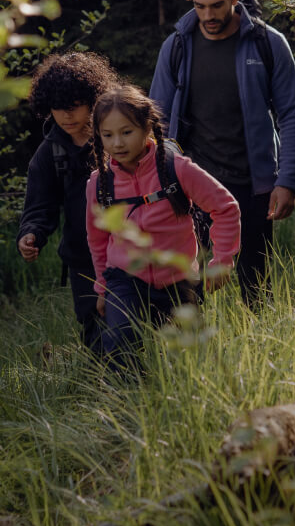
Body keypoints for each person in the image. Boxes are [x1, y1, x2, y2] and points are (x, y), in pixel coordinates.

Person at [150, 0, 295, 306]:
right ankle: (192, 355)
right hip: (193, 187)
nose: (208, 15)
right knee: (188, 285)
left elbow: (292, 114)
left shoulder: (268, 44)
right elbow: (157, 119)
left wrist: (287, 181)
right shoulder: (176, 47)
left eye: (217, 5)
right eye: (199, 6)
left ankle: (259, 352)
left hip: (253, 185)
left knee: (256, 287)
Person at [85, 85, 240, 370]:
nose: (117, 143)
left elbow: (225, 207)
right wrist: (102, 286)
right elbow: (97, 239)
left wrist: (223, 259)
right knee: (120, 345)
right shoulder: (99, 184)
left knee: (187, 358)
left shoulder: (176, 168)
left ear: (147, 127)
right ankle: (125, 405)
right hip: (125, 278)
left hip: (178, 278)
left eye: (126, 132)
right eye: (108, 135)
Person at [17, 51, 118, 354]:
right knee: (94, 324)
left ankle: (142, 379)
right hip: (82, 256)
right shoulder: (49, 154)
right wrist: (31, 233)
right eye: (58, 109)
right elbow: (39, 203)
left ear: (93, 98)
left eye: (74, 107)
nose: (67, 116)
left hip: (130, 248)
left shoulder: (117, 137)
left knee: (135, 320)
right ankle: (107, 389)